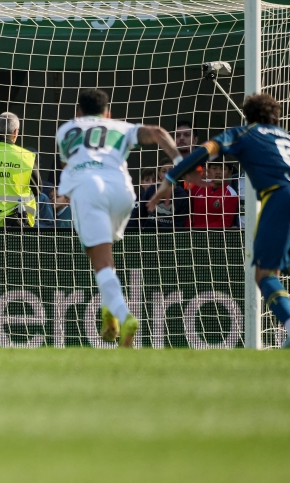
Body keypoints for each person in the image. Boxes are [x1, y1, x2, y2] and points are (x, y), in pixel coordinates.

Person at [150, 93, 290, 347]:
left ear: (247, 115)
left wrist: (171, 178)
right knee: (276, 271)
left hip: (280, 197)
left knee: (264, 274)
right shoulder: (286, 137)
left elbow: (204, 150)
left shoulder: (244, 133)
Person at [53, 88, 177, 347]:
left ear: (78, 113)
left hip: (90, 190)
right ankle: (109, 311)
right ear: (108, 113)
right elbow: (157, 133)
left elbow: (69, 164)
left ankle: (125, 316)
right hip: (124, 193)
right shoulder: (120, 126)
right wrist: (180, 163)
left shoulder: (65, 130)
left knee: (100, 262)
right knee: (103, 255)